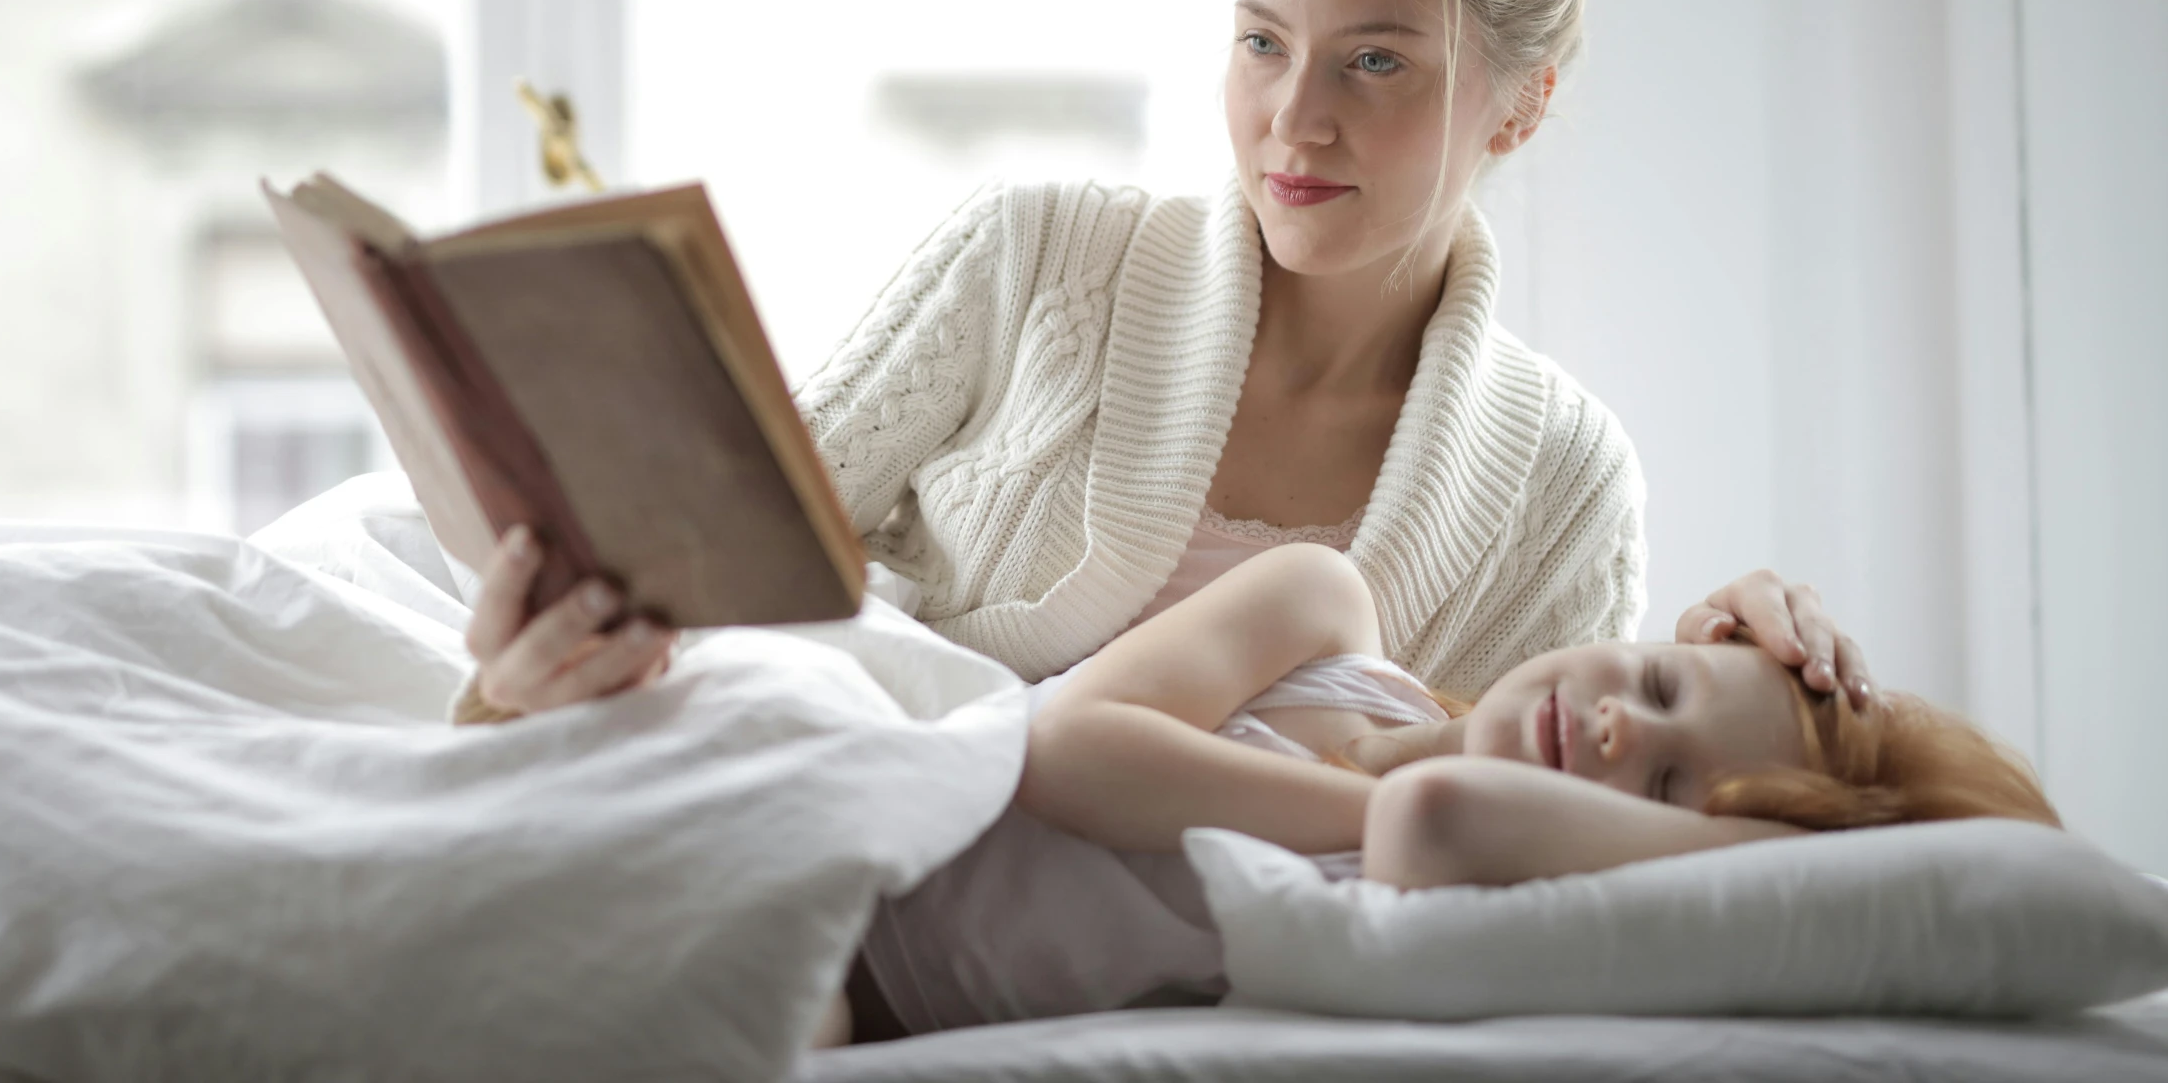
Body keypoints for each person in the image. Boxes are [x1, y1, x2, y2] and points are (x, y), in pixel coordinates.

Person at [453, 0, 1875, 736]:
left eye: (1373, 61)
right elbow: (721, 558)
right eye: (1260, 42)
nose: (1291, 118)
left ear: (1520, 102)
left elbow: (1524, 818)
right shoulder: (1031, 256)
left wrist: (1713, 670)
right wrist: (545, 659)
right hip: (858, 806)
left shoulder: (1564, 482)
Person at [847, 541, 2054, 1037]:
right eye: (1654, 680)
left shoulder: (1469, 872)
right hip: (867, 815)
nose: (1615, 723)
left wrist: (1795, 838)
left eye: (1673, 781)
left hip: (868, 979)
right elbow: (1061, 754)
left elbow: (1438, 816)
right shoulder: (1322, 613)